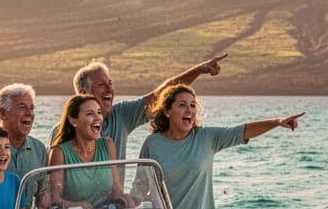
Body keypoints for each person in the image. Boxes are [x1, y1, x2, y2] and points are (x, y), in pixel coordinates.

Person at [137, 84, 304, 209]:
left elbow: (243, 131)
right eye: (182, 105)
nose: (189, 110)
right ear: (167, 111)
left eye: (193, 105)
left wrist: (277, 122)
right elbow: (140, 186)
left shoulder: (206, 138)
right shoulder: (153, 144)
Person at [52, 53, 229, 159]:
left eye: (111, 83)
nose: (109, 89)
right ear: (84, 94)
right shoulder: (62, 131)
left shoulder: (121, 115)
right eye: (101, 85)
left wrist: (199, 70)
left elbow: (161, 95)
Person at [47, 93, 132, 209]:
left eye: (99, 112)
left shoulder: (108, 145)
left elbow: (117, 190)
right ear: (73, 121)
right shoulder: (59, 153)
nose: (98, 118)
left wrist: (127, 199)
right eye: (90, 114)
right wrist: (76, 206)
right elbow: (54, 200)